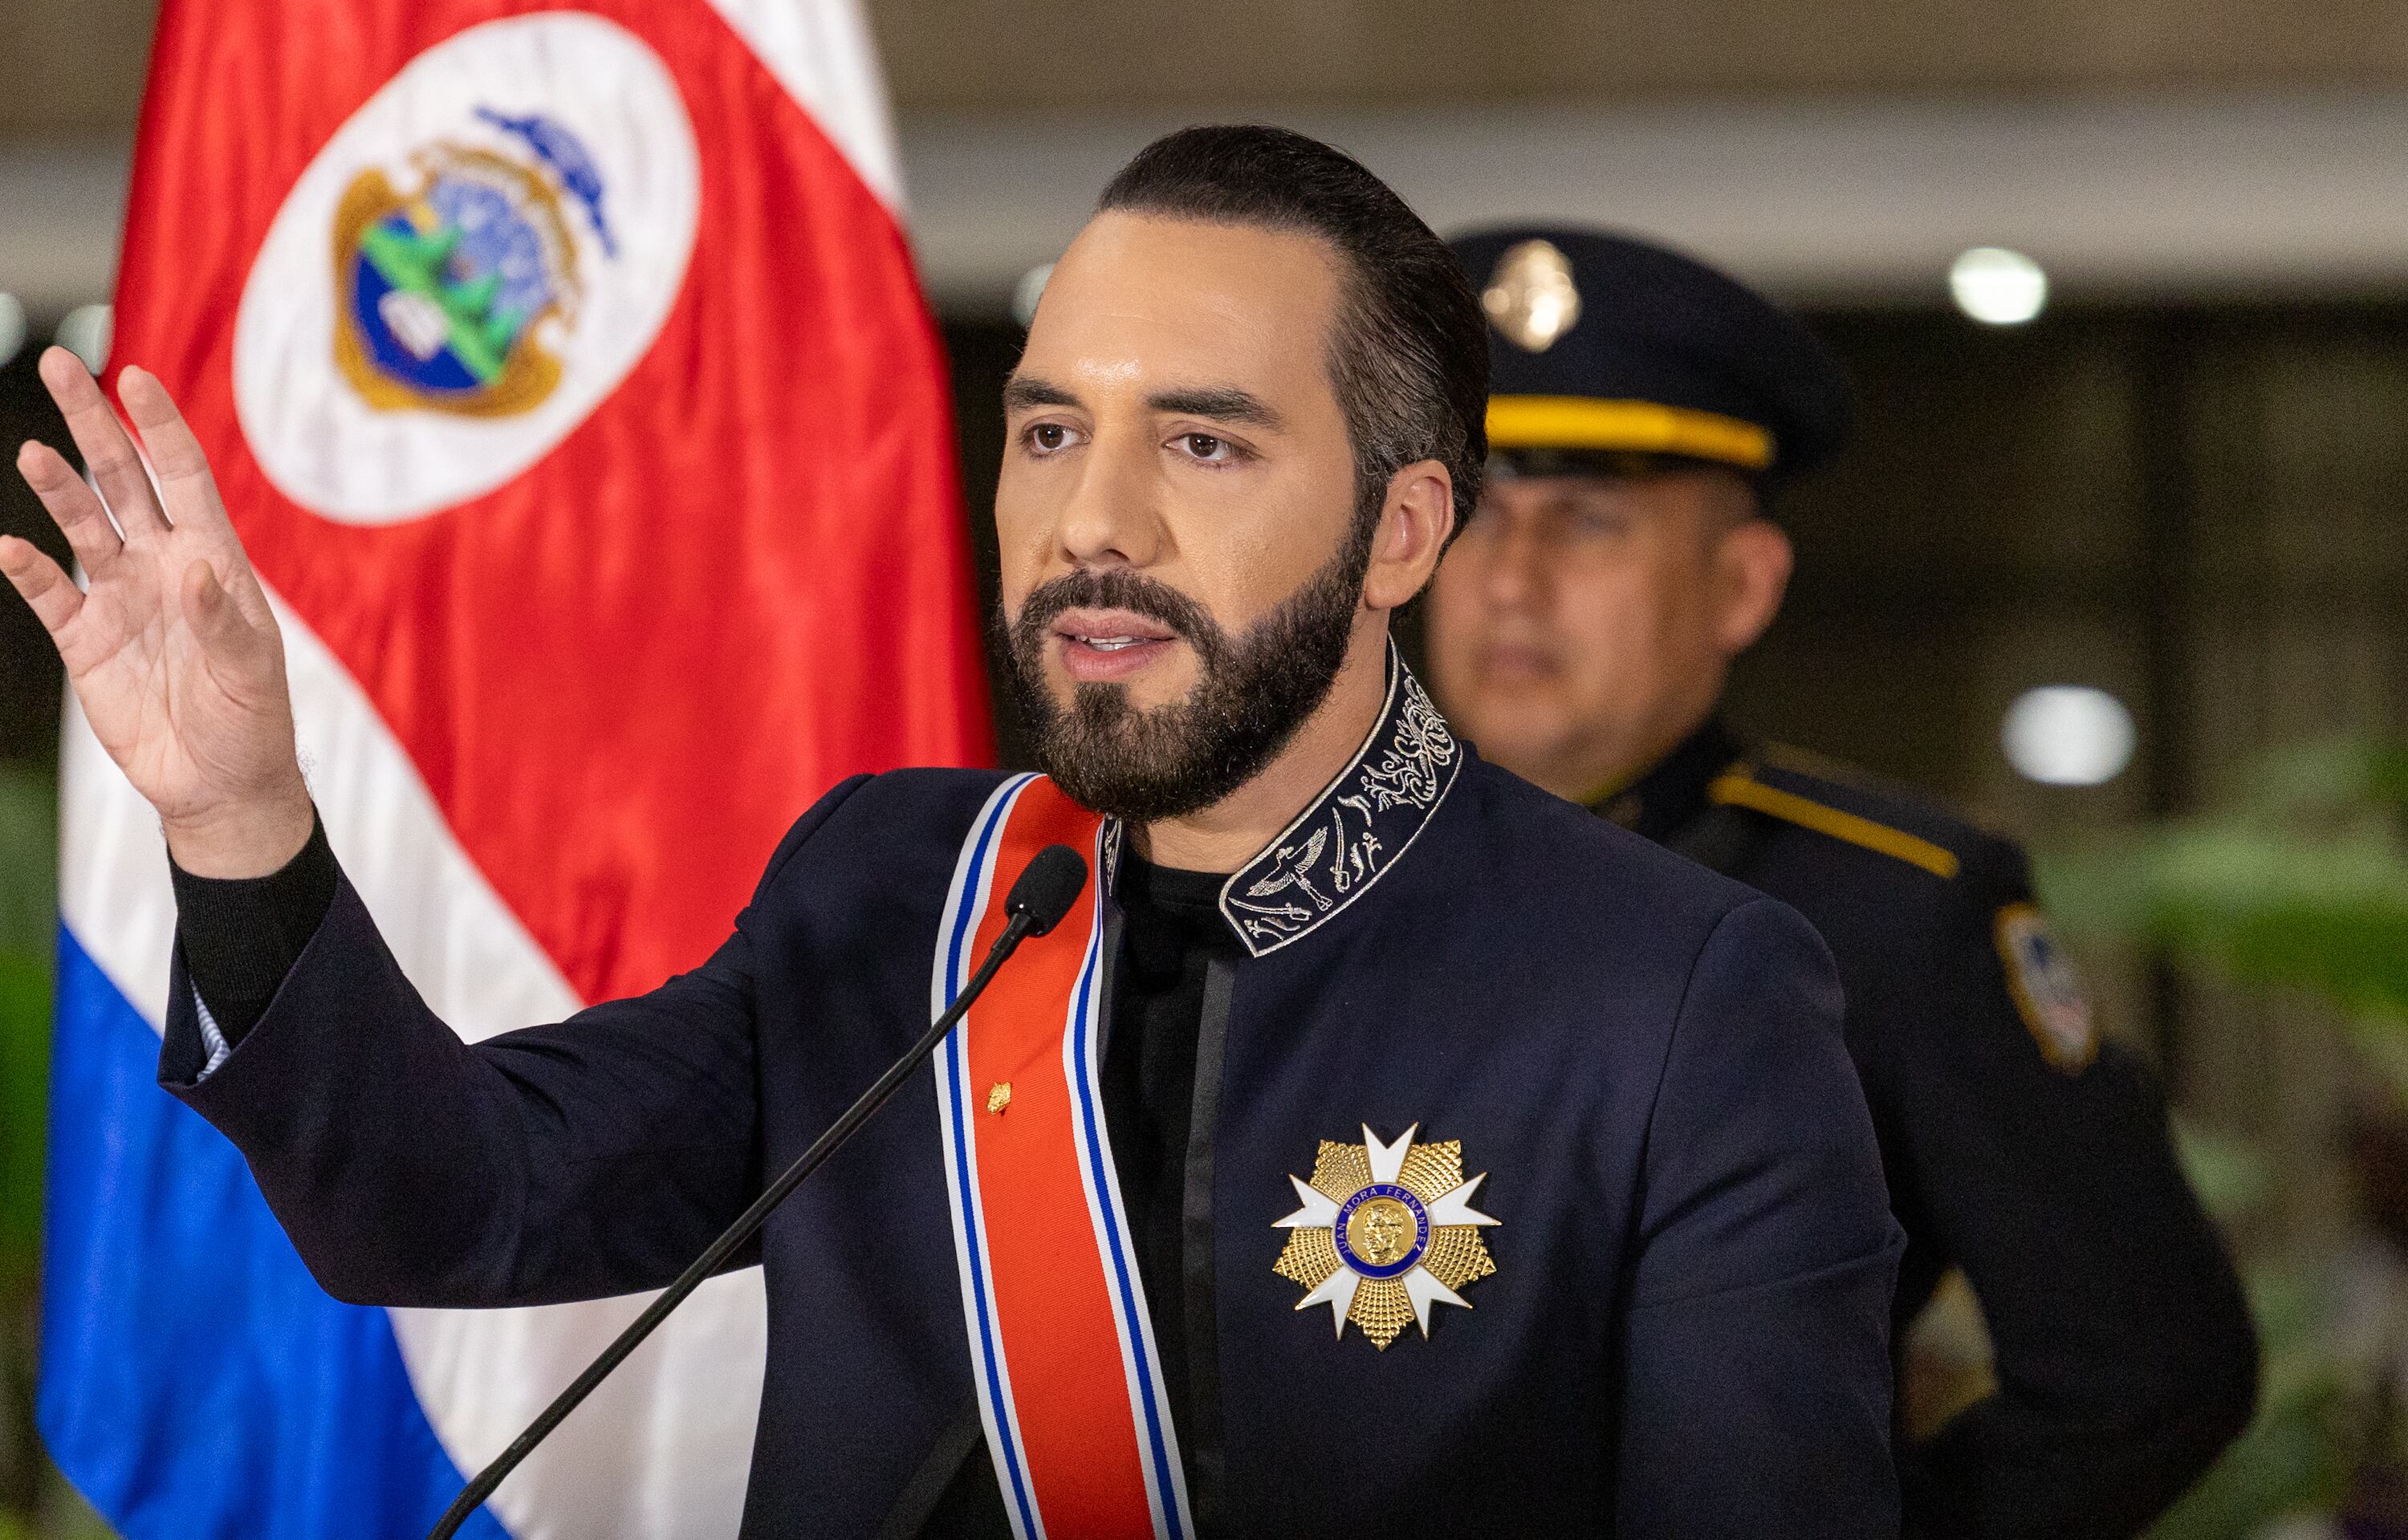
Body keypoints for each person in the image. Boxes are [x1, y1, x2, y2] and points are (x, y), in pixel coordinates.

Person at [2, 130, 1904, 1538]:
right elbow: (447, 1202)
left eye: (1207, 444)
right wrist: (239, 814)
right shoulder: (894, 897)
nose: (1098, 525)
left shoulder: (1676, 994)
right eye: (1052, 430)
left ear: (1404, 531)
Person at [1426, 224, 2259, 1539]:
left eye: (1587, 522)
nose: (1513, 581)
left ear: (1742, 586)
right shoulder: (1298, 882)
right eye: (1476, 517)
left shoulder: (1892, 907)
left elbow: (2148, 1368)